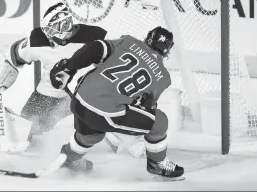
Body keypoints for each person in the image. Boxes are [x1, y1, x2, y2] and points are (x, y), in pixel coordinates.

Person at [50, 26, 184, 180]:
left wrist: (68, 67)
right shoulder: (163, 77)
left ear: (148, 38)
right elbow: (147, 107)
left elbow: (96, 48)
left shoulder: (128, 42)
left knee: (92, 134)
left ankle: (67, 159)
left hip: (80, 99)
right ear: (167, 51)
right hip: (105, 113)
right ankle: (157, 163)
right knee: (160, 122)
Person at [0, 2, 107, 142]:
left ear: (66, 25)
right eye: (47, 29)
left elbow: (110, 64)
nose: (48, 35)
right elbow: (15, 55)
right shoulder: (38, 39)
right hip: (46, 96)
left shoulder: (94, 36)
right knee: (24, 132)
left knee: (84, 131)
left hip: (80, 97)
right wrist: (6, 71)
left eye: (52, 29)